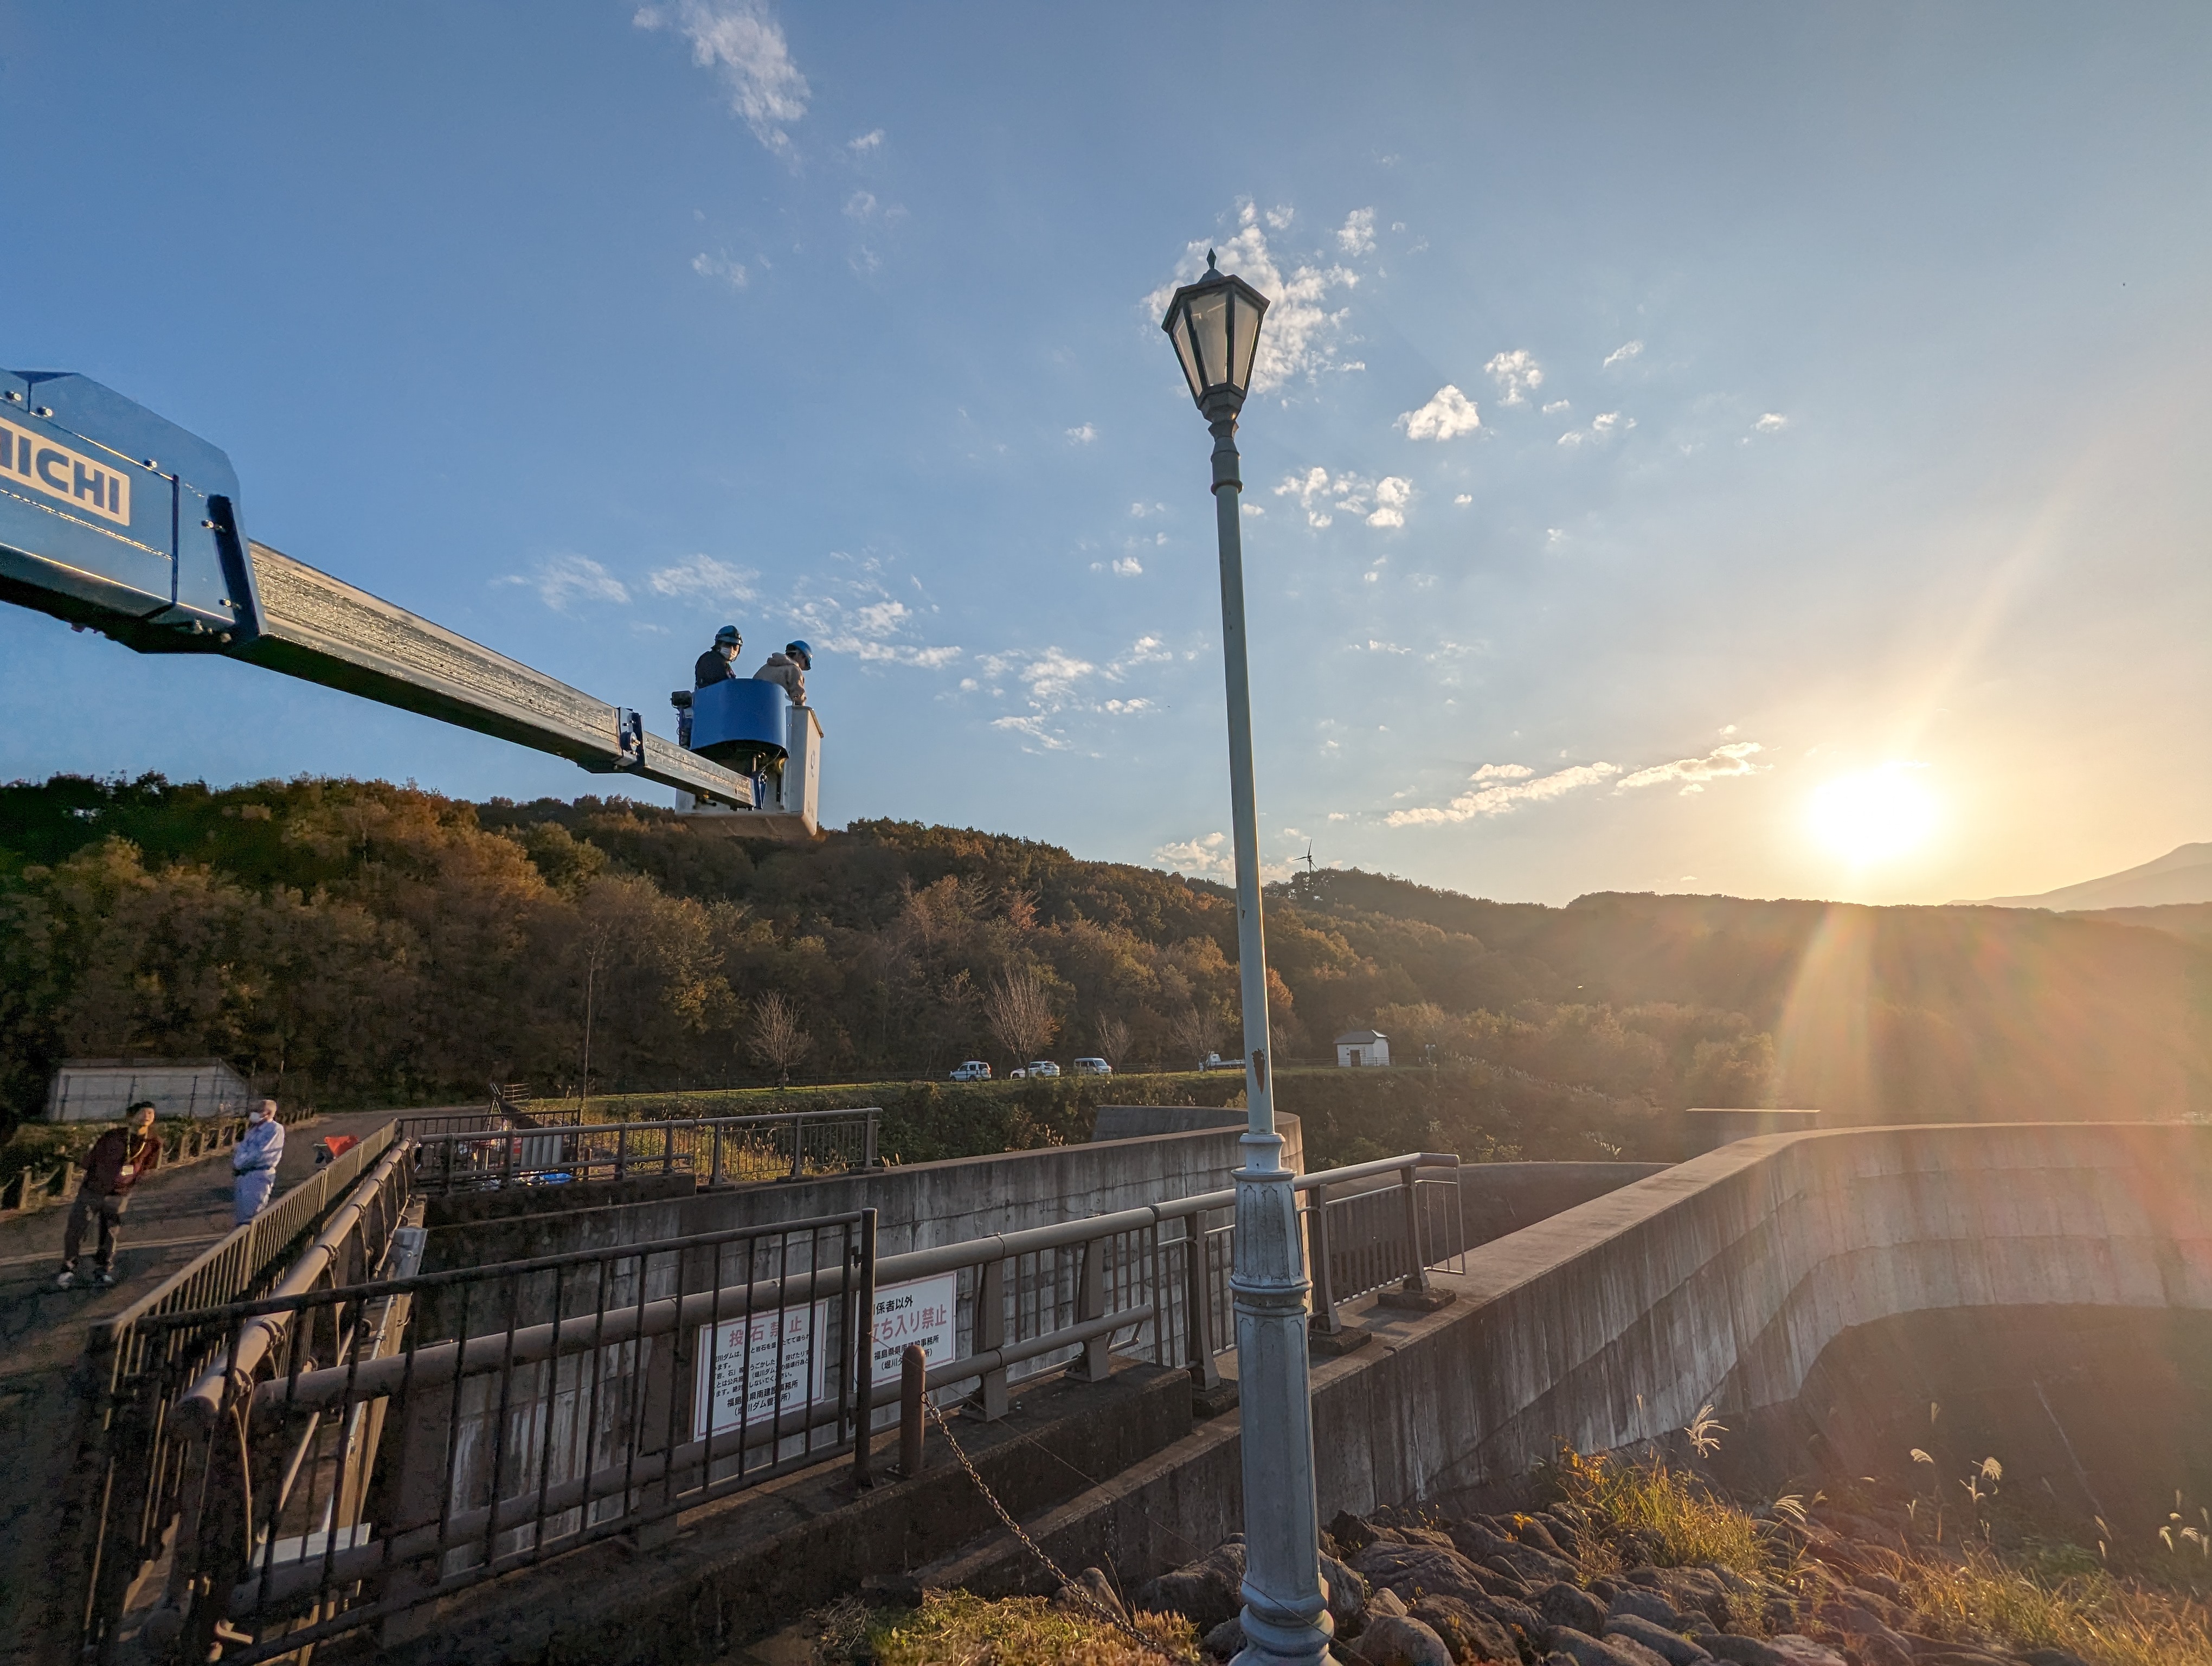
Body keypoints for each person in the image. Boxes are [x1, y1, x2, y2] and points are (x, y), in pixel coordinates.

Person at [56, 1101, 162, 1288]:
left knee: (110, 1233)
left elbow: (147, 1166)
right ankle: (68, 1269)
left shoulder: (153, 1142)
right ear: (131, 1116)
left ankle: (103, 1270)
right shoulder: (113, 1136)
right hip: (93, 1190)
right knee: (77, 1229)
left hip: (119, 1194)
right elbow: (90, 1160)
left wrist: (130, 1182)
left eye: (151, 1113)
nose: (147, 1115)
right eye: (143, 1112)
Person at [232, 1100, 287, 1226]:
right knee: (241, 1216)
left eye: (258, 1111)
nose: (254, 1114)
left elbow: (261, 1154)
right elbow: (241, 1149)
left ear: (267, 1113)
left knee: (251, 1215)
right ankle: (241, 1242)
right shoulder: (253, 1130)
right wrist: (240, 1161)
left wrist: (240, 1162)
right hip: (244, 1174)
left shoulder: (275, 1129)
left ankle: (249, 1243)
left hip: (259, 1174)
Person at [753, 639, 812, 707]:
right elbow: (799, 696)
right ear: (801, 656)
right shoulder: (794, 669)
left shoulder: (766, 667)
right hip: (774, 710)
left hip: (754, 706)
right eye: (806, 663)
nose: (803, 668)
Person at [695, 625, 743, 690]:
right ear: (719, 645)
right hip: (711, 698)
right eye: (727, 645)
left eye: (735, 647)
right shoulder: (710, 659)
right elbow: (723, 684)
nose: (731, 649)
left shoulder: (727, 667)